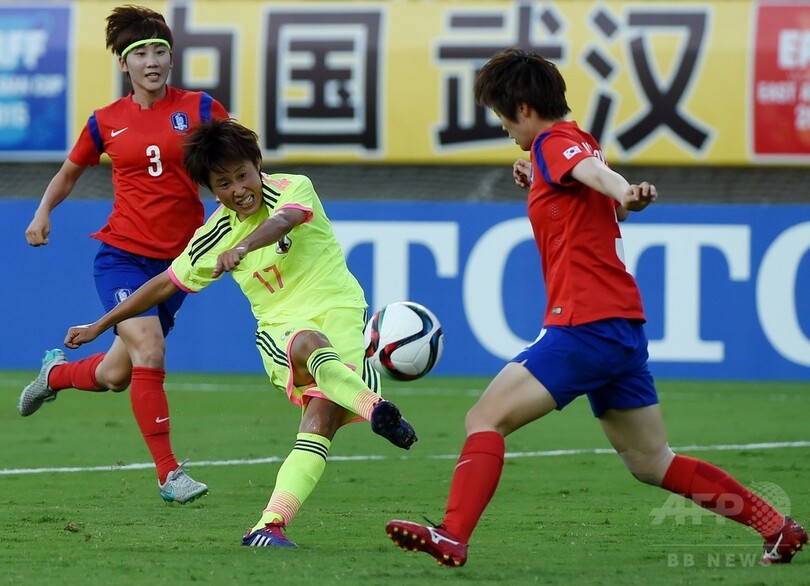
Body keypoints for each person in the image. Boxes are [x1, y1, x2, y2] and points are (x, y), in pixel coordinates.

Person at [385, 47, 807, 567]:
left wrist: (624, 190)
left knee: (485, 418)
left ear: (522, 108)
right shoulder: (577, 144)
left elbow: (601, 183)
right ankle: (778, 528)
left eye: (502, 118)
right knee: (651, 460)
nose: (504, 130)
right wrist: (598, 189)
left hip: (583, 323)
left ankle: (452, 534)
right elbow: (602, 197)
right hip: (621, 327)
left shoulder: (555, 143)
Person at [63, 118, 418, 547]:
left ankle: (268, 526)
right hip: (281, 330)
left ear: (258, 165)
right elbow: (162, 285)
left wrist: (246, 246)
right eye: (223, 183)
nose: (238, 189)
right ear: (212, 189)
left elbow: (285, 221)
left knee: (320, 421)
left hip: (342, 314)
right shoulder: (214, 234)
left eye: (242, 175)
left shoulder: (293, 187)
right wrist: (101, 325)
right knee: (308, 344)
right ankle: (376, 407)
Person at [19, 5, 229, 504]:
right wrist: (42, 212)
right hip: (122, 257)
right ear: (124, 64)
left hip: (180, 263)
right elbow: (70, 172)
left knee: (117, 374)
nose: (152, 61)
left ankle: (55, 375)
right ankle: (169, 474)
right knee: (151, 349)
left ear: (171, 59)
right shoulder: (105, 122)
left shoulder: (200, 109)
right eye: (141, 53)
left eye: (161, 51)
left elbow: (238, 161)